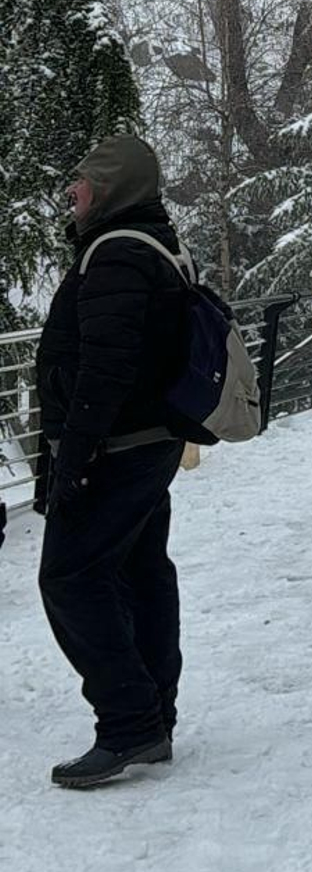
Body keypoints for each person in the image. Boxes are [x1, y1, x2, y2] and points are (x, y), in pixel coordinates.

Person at [35, 134, 191, 791]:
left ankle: (130, 720)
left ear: (112, 187)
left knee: (69, 579)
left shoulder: (119, 253)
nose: (72, 192)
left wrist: (69, 460)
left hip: (117, 449)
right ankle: (154, 716)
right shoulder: (151, 244)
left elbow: (106, 369)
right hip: (149, 444)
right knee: (139, 570)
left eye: (83, 182)